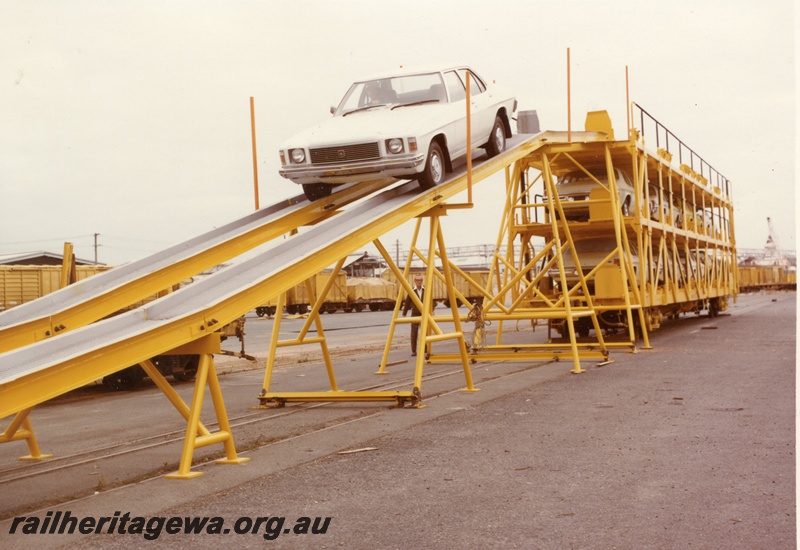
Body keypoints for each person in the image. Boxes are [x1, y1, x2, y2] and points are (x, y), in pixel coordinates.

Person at [402, 275, 425, 356]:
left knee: (425, 332)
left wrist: (431, 311)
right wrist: (404, 313)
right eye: (417, 280)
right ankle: (414, 351)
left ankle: (425, 348)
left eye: (420, 280)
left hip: (424, 314)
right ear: (415, 281)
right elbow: (407, 302)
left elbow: (430, 301)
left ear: (422, 281)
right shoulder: (412, 291)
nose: (419, 282)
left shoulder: (426, 290)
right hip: (415, 314)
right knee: (414, 333)